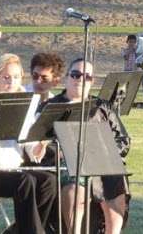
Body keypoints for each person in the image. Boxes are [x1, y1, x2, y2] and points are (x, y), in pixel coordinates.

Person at [0, 54, 57, 234]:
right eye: (6, 77)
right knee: (25, 181)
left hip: (13, 170)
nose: (11, 81)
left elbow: (30, 147)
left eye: (16, 77)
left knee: (49, 181)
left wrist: (41, 144)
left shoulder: (25, 103)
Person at [49, 59, 129, 234]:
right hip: (68, 167)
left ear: (92, 81)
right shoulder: (52, 107)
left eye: (86, 76)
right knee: (74, 191)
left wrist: (104, 152)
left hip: (102, 163)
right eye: (76, 74)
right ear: (67, 78)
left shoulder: (102, 107)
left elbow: (122, 141)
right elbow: (41, 143)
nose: (80, 80)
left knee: (115, 180)